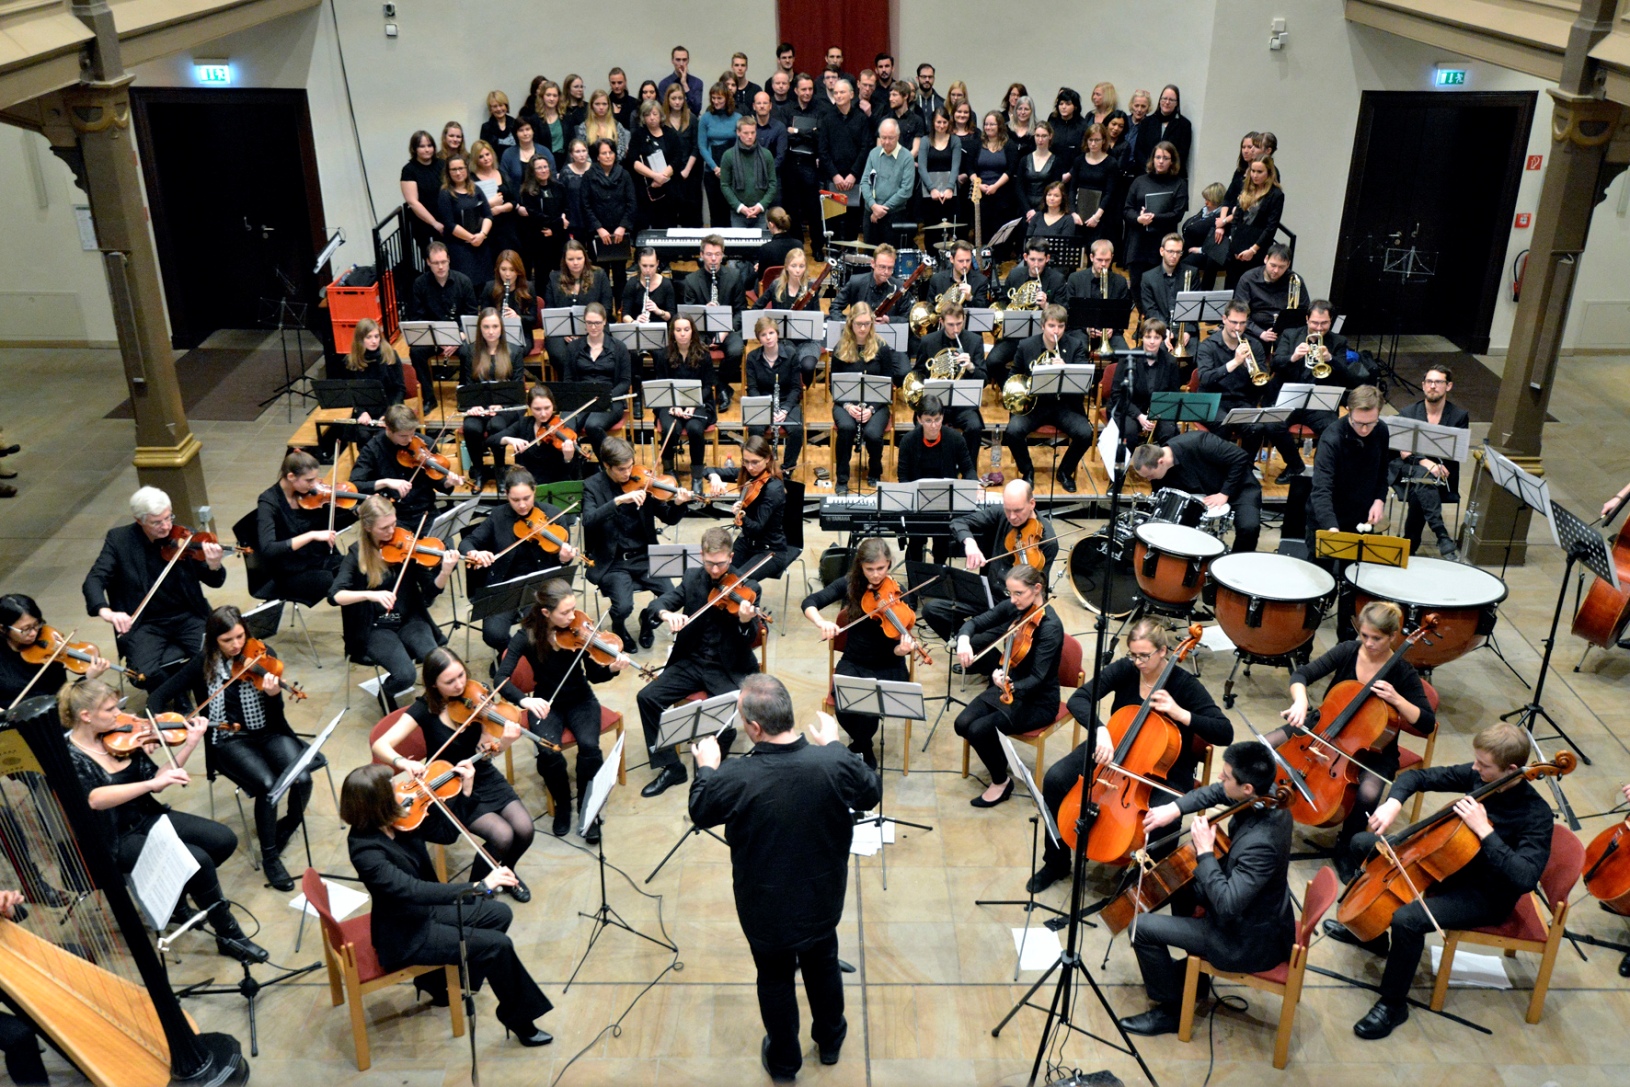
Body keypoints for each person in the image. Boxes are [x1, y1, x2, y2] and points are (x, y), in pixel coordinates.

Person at [687, 674, 878, 1081]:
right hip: (822, 896)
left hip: (766, 907)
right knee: (823, 965)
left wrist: (705, 768)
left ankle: (785, 1063)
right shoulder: (832, 761)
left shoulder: (735, 777)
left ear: (755, 728)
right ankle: (830, 1042)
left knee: (774, 980)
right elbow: (870, 792)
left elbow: (701, 812)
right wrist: (836, 747)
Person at [1324, 722, 1552, 1040]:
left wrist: (1485, 831)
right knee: (1364, 845)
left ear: (1510, 769)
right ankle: (1373, 936)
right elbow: (1420, 777)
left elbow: (1525, 877)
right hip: (1446, 863)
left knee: (1408, 919)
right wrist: (1393, 803)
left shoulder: (1535, 814)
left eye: (1484, 765)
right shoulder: (1479, 776)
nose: (1475, 768)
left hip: (1485, 894)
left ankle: (1393, 1004)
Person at [340, 764, 552, 1045]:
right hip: (406, 933)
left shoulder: (401, 817)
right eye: (391, 788)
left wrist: (464, 791)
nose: (400, 788)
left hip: (426, 913)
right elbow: (412, 890)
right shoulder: (365, 850)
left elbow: (447, 834)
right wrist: (479, 886)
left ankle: (442, 985)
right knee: (497, 946)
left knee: (498, 913)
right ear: (376, 802)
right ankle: (519, 1020)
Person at [60, 679, 265, 963]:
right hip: (115, 837)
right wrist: (148, 786)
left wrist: (190, 744)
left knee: (223, 840)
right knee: (199, 861)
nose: (121, 716)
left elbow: (157, 782)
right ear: (86, 716)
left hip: (147, 816)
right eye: (110, 710)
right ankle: (230, 935)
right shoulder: (69, 755)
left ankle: (178, 900)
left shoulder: (119, 736)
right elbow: (94, 799)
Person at [1032, 619, 1231, 892]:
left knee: (1164, 815)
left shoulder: (1183, 684)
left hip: (1165, 766)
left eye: (1144, 656)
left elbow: (1224, 732)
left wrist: (1179, 713)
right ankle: (1056, 861)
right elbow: (1080, 698)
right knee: (1055, 779)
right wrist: (1099, 729)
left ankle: (1143, 883)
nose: (1137, 662)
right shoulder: (1126, 669)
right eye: (1133, 655)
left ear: (1163, 651)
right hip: (1114, 746)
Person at [1118, 740, 1294, 1036]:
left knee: (1141, 928)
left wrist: (1204, 852)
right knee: (1179, 882)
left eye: (1226, 777)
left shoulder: (1263, 842)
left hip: (1242, 939)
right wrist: (1174, 809)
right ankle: (1193, 978)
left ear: (1247, 788)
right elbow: (1215, 792)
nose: (1220, 780)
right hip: (1250, 909)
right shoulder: (1267, 797)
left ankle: (1171, 1010)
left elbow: (1227, 904)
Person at [1265, 600, 1437, 874]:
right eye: (1364, 635)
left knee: (1368, 792)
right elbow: (1301, 674)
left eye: (1376, 638)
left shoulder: (1403, 672)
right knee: (1265, 747)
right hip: (1323, 727)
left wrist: (1397, 699)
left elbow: (1427, 723)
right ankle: (1264, 814)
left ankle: (1348, 847)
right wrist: (1300, 701)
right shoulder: (1347, 651)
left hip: (1370, 749)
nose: (1368, 643)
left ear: (1393, 636)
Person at [159, 605, 314, 891]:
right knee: (268, 785)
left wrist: (273, 693)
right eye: (227, 640)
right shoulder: (203, 662)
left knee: (302, 778)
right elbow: (159, 696)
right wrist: (168, 723)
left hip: (268, 732)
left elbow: (276, 713)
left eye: (240, 637)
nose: (236, 645)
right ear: (214, 640)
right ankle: (270, 857)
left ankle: (288, 825)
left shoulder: (263, 656)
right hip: (229, 739)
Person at [372, 648, 533, 895]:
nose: (459, 685)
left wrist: (507, 740)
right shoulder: (423, 709)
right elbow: (380, 745)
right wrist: (404, 763)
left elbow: (491, 751)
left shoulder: (476, 697)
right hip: (450, 785)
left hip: (482, 773)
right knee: (502, 836)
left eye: (461, 675)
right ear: (434, 684)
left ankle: (505, 872)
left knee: (525, 829)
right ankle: (475, 892)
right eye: (450, 681)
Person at [636, 527, 765, 798]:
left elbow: (751, 636)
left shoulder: (749, 586)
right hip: (692, 661)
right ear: (701, 556)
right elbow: (661, 602)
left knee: (726, 712)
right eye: (709, 562)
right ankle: (672, 767)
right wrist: (666, 613)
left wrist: (744, 621)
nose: (715, 570)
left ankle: (719, 748)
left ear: (730, 557)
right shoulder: (693, 576)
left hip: (728, 666)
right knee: (647, 697)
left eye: (720, 563)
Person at [493, 579, 620, 839]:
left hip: (580, 699)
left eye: (574, 609)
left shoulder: (579, 631)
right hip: (545, 703)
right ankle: (563, 804)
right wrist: (524, 701)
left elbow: (595, 675)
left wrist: (612, 669)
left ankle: (588, 806)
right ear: (545, 613)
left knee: (589, 747)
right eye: (565, 612)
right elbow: (500, 678)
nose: (573, 617)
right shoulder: (526, 636)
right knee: (549, 753)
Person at [81, 486, 223, 711]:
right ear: (139, 520)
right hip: (145, 623)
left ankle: (200, 695)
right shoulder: (119, 541)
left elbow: (214, 580)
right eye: (157, 522)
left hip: (187, 614)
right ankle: (176, 694)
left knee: (215, 655)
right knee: (142, 674)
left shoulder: (183, 535)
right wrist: (106, 611)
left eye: (168, 518)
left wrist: (214, 566)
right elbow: (94, 580)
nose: (166, 526)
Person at [802, 538, 921, 765]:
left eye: (881, 569)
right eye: (870, 570)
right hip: (855, 660)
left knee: (867, 707)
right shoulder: (850, 584)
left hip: (889, 663)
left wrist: (902, 650)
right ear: (860, 567)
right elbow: (811, 601)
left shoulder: (898, 592)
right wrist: (821, 622)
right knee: (844, 706)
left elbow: (899, 642)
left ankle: (861, 747)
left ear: (888, 564)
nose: (876, 575)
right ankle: (864, 744)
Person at [954, 564, 1064, 807]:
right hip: (1007, 686)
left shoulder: (1050, 628)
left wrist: (1008, 683)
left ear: (1037, 589)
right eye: (1010, 593)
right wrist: (964, 641)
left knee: (979, 730)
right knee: (962, 724)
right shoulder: (1017, 608)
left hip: (1037, 699)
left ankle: (1001, 781)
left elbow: (1037, 678)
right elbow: (975, 623)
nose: (1012, 600)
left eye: (1018, 593)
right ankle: (998, 759)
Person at [328, 494, 455, 701]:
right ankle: (385, 696)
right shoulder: (357, 554)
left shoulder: (405, 542)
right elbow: (335, 595)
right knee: (405, 676)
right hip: (376, 626)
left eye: (393, 524)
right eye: (384, 528)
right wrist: (371, 594)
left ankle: (432, 707)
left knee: (437, 665)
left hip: (410, 618)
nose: (391, 532)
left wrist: (445, 572)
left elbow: (429, 592)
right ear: (368, 528)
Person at [581, 437, 691, 650]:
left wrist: (678, 504)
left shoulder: (642, 479)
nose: (628, 473)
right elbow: (588, 520)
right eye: (622, 469)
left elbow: (668, 517)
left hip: (645, 556)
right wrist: (619, 500)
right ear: (606, 465)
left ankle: (647, 621)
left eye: (630, 466)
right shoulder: (592, 486)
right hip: (613, 561)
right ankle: (619, 627)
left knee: (672, 597)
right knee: (622, 607)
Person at [458, 468, 578, 652]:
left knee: (538, 632)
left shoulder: (552, 515)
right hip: (505, 586)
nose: (522, 505)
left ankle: (523, 659)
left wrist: (564, 559)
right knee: (493, 634)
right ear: (506, 494)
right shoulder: (498, 516)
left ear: (534, 491)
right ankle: (509, 653)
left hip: (541, 587)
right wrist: (474, 553)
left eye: (527, 498)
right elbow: (467, 542)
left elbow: (562, 562)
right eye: (515, 500)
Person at [924, 479, 1058, 643]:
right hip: (987, 593)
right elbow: (958, 522)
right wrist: (970, 543)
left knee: (975, 641)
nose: (1012, 517)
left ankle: (981, 655)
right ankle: (964, 644)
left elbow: (1036, 590)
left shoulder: (1047, 541)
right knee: (932, 610)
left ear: (1032, 503)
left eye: (1017, 510)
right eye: (1008, 510)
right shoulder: (1001, 514)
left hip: (1012, 604)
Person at [1196, 299, 1302, 481]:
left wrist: (1249, 368)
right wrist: (1234, 362)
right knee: (1224, 424)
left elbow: (1261, 382)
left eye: (1242, 323)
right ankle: (1217, 467)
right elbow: (1205, 379)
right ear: (1224, 319)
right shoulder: (1208, 345)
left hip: (1242, 400)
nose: (1238, 328)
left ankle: (1242, 467)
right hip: (1213, 401)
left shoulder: (1254, 345)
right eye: (1234, 322)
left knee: (1256, 427)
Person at [1308, 385, 1392, 612]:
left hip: (1360, 517)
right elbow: (1321, 489)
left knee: (1354, 585)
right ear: (1348, 411)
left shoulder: (1381, 431)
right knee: (1318, 586)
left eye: (1370, 423)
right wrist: (1331, 528)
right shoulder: (1331, 439)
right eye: (1358, 423)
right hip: (1327, 518)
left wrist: (1379, 499)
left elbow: (1382, 470)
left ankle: (1347, 633)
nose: (1364, 429)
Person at [1003, 304, 1095, 492]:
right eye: (1052, 326)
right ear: (1043, 325)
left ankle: (1064, 471)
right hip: (1034, 405)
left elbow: (1083, 381)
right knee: (1012, 431)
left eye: (1060, 326)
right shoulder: (1026, 345)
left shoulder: (1075, 346)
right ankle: (1027, 471)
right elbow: (1013, 375)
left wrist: (1065, 368)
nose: (1056, 331)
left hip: (1064, 405)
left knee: (1086, 434)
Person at [1131, 430, 1264, 553]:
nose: (1148, 479)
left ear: (1160, 462)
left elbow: (1240, 457)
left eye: (1149, 475)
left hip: (1238, 487)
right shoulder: (1159, 471)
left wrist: (1224, 493)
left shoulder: (1200, 442)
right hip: (1200, 496)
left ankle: (1235, 567)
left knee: (1249, 528)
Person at [1390, 365, 1469, 558]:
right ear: (1423, 385)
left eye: (1438, 382)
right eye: (1429, 382)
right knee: (1422, 477)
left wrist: (1436, 465)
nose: (1432, 386)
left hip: (1443, 473)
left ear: (1448, 386)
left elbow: (1456, 452)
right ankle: (1441, 535)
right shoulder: (1408, 413)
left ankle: (1411, 543)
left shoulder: (1458, 416)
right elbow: (1403, 451)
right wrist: (1426, 462)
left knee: (1421, 486)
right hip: (1409, 468)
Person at [829, 303, 903, 491]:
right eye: (858, 324)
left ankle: (874, 471)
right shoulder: (840, 348)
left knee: (872, 434)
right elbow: (833, 386)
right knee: (846, 428)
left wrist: (870, 409)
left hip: (876, 404)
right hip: (846, 403)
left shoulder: (882, 348)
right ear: (850, 324)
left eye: (867, 324)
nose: (862, 328)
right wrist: (847, 406)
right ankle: (842, 478)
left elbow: (887, 385)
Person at [255, 450, 343, 605]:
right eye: (309, 480)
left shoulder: (309, 494)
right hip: (289, 572)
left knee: (354, 568)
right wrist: (311, 535)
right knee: (339, 584)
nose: (314, 484)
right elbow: (268, 549)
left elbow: (332, 523)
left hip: (316, 559)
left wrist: (358, 510)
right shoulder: (268, 502)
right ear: (291, 477)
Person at [350, 403, 460, 524]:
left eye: (412, 434)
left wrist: (448, 483)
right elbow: (355, 485)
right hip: (391, 517)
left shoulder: (425, 445)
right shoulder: (372, 450)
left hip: (425, 512)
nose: (409, 440)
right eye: (403, 436)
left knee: (443, 542)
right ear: (388, 428)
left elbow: (437, 482)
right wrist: (385, 482)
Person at [896, 396, 976, 562]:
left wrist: (973, 486)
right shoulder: (908, 441)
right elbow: (903, 476)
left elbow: (968, 469)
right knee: (915, 544)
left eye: (937, 419)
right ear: (919, 420)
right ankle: (915, 582)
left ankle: (938, 578)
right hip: (917, 505)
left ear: (942, 417)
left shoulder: (955, 439)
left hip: (945, 505)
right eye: (928, 420)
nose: (933, 425)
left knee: (942, 546)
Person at [0, 593, 109, 708]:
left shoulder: (49, 648)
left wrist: (87, 678)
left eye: (37, 625)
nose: (33, 633)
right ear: (3, 628)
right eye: (25, 629)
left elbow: (62, 696)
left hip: (49, 712)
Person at [913, 303, 987, 469]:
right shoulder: (928, 341)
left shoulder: (974, 341)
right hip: (934, 403)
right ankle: (924, 467)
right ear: (941, 321)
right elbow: (917, 374)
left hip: (963, 404)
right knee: (920, 424)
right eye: (951, 324)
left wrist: (971, 367)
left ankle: (969, 470)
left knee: (974, 427)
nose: (955, 329)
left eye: (959, 324)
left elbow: (985, 380)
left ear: (964, 320)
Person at [983, 241, 1065, 388]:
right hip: (1014, 335)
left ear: (1047, 258)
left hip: (1042, 337)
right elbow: (1003, 301)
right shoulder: (1015, 275)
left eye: (1040, 260)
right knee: (992, 362)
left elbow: (1063, 313)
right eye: (1032, 259)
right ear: (1026, 257)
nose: (1036, 265)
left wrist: (1046, 306)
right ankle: (1011, 389)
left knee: (1032, 366)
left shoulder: (1056, 279)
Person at [704, 435, 789, 577]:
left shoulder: (773, 489)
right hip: (747, 542)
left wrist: (742, 516)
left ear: (767, 458)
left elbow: (757, 528)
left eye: (755, 462)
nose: (750, 467)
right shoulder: (747, 475)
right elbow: (706, 470)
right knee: (716, 572)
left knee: (736, 581)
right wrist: (714, 477)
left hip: (770, 549)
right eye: (746, 461)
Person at [408, 242, 478, 414]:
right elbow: (417, 318)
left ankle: (464, 395)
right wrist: (439, 339)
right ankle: (429, 398)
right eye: (436, 263)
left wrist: (458, 337)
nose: (440, 267)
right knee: (416, 352)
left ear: (449, 260)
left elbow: (472, 316)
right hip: (432, 337)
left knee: (468, 351)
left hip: (460, 336)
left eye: (443, 262)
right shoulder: (420, 284)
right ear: (428, 262)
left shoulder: (463, 282)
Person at [681, 235, 748, 408]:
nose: (713, 259)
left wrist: (726, 329)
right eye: (709, 254)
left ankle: (721, 384)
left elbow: (741, 309)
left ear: (722, 254)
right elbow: (687, 315)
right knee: (697, 350)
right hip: (701, 331)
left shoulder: (734, 276)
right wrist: (704, 309)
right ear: (701, 254)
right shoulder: (691, 280)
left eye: (717, 254)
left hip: (729, 329)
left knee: (735, 350)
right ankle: (720, 388)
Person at [461, 308, 522, 490]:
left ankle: (500, 469)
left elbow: (517, 390)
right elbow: (466, 386)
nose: (491, 331)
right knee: (471, 427)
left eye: (495, 326)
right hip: (480, 407)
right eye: (486, 327)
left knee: (496, 426)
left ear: (501, 328)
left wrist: (501, 404)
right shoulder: (470, 352)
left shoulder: (514, 351)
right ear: (480, 329)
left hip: (508, 408)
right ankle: (478, 471)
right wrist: (471, 406)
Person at [563, 302, 631, 456]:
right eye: (589, 323)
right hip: (581, 398)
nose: (593, 327)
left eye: (597, 323)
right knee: (566, 429)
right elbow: (568, 380)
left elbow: (625, 381)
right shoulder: (574, 348)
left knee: (593, 425)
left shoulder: (619, 347)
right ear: (584, 323)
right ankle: (574, 469)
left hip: (610, 400)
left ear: (605, 321)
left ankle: (608, 463)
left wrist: (608, 396)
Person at [652, 313, 716, 475]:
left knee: (695, 428)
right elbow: (661, 385)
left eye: (686, 329)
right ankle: (669, 470)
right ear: (672, 332)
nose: (682, 333)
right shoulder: (662, 355)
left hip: (699, 402)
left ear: (692, 331)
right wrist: (673, 405)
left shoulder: (704, 354)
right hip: (669, 403)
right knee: (671, 428)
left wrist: (692, 405)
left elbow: (708, 386)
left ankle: (697, 474)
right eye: (678, 330)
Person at [1121, 142, 1187, 297]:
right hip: (1138, 241)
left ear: (1172, 161)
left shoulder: (1179, 184)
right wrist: (1139, 218)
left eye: (1165, 158)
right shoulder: (1140, 181)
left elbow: (1177, 214)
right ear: (1152, 159)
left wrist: (1153, 217)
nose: (1161, 161)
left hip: (1162, 242)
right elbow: (1127, 209)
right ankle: (1144, 317)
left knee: (1159, 286)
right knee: (1136, 284)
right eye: (1158, 157)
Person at [743, 315, 805, 473]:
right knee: (755, 430)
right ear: (758, 338)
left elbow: (796, 388)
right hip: (762, 403)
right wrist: (766, 410)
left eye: (771, 333)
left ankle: (787, 469)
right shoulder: (752, 358)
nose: (768, 338)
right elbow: (752, 388)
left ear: (777, 334)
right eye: (763, 335)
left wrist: (784, 410)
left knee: (797, 430)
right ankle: (762, 468)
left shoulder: (791, 355)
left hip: (786, 401)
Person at [754, 246, 824, 385]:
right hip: (782, 340)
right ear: (786, 267)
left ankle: (802, 390)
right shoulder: (776, 286)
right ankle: (791, 393)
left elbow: (817, 319)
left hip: (807, 341)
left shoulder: (811, 288)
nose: (798, 270)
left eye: (801, 266)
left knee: (808, 367)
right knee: (786, 364)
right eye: (794, 266)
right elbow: (757, 307)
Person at [1109, 320, 1184, 447]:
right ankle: (1123, 465)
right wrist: (1139, 416)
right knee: (1129, 433)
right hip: (1128, 409)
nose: (1152, 341)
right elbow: (1117, 394)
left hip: (1158, 412)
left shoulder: (1170, 362)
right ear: (1142, 337)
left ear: (1162, 339)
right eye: (1148, 337)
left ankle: (1161, 465)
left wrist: (1157, 415)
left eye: (1157, 337)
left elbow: (1173, 395)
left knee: (1170, 432)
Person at [491, 384, 583, 485]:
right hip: (527, 486)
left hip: (555, 485)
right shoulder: (523, 424)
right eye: (537, 409)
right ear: (529, 407)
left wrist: (568, 459)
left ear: (553, 405)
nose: (543, 414)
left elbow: (570, 475)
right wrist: (509, 440)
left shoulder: (564, 430)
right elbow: (491, 440)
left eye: (547, 408)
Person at [542, 240, 614, 366]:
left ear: (585, 258)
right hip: (561, 332)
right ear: (564, 260)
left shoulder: (599, 275)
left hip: (594, 328)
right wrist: (565, 333)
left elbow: (606, 308)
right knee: (560, 355)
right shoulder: (554, 278)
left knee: (591, 354)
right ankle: (569, 384)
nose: (575, 263)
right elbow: (550, 310)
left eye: (579, 258)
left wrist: (586, 331)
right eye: (571, 259)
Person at [818, 79, 871, 241]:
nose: (838, 95)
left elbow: (865, 149)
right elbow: (823, 151)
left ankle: (849, 255)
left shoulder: (861, 119)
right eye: (836, 93)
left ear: (851, 94)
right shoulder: (827, 119)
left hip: (853, 179)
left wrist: (853, 174)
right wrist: (835, 175)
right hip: (833, 178)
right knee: (832, 222)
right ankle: (833, 256)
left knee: (852, 222)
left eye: (842, 92)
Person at [582, 139, 635, 299]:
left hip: (619, 232)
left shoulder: (624, 174)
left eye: (610, 152)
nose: (607, 156)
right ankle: (603, 311)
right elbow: (585, 205)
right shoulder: (589, 176)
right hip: (598, 233)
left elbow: (631, 203)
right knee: (600, 273)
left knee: (620, 273)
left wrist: (623, 226)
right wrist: (599, 228)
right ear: (597, 157)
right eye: (603, 153)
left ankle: (621, 310)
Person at [1223, 156, 1284, 288]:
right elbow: (1236, 218)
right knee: (1231, 285)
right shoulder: (1246, 189)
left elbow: (1271, 227)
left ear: (1268, 173)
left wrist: (1253, 250)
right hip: (1238, 245)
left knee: (1249, 287)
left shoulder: (1276, 195)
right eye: (1253, 171)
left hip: (1256, 246)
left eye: (1259, 172)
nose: (1255, 175)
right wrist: (1234, 241)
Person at [781, 75, 824, 256]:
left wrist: (797, 131)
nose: (807, 93)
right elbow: (785, 135)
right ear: (796, 90)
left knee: (814, 209)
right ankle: (797, 246)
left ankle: (817, 248)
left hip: (810, 165)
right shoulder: (787, 109)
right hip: (790, 164)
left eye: (810, 89)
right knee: (793, 210)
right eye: (803, 89)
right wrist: (808, 133)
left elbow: (819, 135)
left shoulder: (820, 109)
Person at [436, 153, 494, 287]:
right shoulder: (445, 193)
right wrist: (471, 238)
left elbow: (488, 215)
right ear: (448, 172)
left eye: (461, 168)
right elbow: (449, 224)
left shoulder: (476, 189)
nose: (458, 172)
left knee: (485, 284)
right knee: (466, 284)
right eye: (454, 169)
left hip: (481, 243)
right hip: (459, 246)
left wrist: (482, 235)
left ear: (466, 169)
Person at [1233, 243, 1307, 347]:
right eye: (1273, 265)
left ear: (1288, 264)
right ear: (1266, 259)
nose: (1276, 271)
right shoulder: (1248, 279)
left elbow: (1304, 311)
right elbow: (1239, 312)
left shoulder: (1295, 280)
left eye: (1281, 267)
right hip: (1255, 330)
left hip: (1284, 331)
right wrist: (1261, 333)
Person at [627, 100, 684, 233]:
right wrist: (655, 176)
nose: (651, 118)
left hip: (668, 189)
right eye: (647, 115)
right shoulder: (638, 135)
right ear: (643, 117)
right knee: (643, 227)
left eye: (654, 114)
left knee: (667, 228)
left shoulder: (670, 134)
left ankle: (668, 254)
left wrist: (663, 176)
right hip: (646, 190)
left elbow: (677, 158)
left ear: (661, 116)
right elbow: (633, 161)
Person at [1065, 239, 1130, 349]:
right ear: (1091, 257)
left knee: (1124, 353)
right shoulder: (1075, 279)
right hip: (1082, 330)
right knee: (1079, 349)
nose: (1103, 264)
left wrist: (1112, 329)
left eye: (1107, 260)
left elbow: (1121, 316)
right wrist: (1087, 328)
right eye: (1099, 260)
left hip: (1110, 333)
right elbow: (1069, 311)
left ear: (1112, 258)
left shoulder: (1120, 282)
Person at [860, 119, 914, 246]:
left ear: (898, 137)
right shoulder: (873, 153)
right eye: (883, 138)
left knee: (889, 257)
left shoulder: (907, 157)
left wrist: (881, 210)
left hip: (894, 215)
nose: (886, 142)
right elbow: (864, 182)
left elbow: (906, 190)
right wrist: (873, 206)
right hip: (870, 214)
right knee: (870, 256)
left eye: (891, 138)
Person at [719, 116, 779, 230]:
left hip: (760, 212)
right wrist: (740, 207)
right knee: (739, 247)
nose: (750, 136)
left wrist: (760, 206)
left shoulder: (766, 155)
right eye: (746, 133)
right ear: (738, 132)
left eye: (752, 132)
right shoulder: (728, 155)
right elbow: (725, 185)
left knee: (760, 247)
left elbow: (772, 184)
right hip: (738, 212)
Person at [515, 155, 566, 284]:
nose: (543, 170)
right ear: (532, 171)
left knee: (561, 276)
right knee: (542, 278)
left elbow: (566, 210)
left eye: (545, 167)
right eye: (539, 168)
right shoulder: (527, 192)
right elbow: (535, 216)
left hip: (558, 238)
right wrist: (558, 224)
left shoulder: (559, 187)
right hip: (539, 240)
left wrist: (555, 230)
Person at [697, 82, 742, 227]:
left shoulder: (737, 118)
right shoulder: (706, 118)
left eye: (719, 99)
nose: (716, 102)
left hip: (733, 171)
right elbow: (702, 146)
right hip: (712, 172)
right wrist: (715, 168)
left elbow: (740, 145)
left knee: (731, 211)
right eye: (713, 98)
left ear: (727, 99)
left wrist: (728, 168)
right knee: (715, 212)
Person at [479, 248, 538, 351]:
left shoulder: (528, 288)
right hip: (493, 335)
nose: (507, 274)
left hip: (522, 335)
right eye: (503, 269)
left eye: (512, 270)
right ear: (498, 270)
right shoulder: (489, 287)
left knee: (512, 352)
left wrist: (518, 317)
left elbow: (533, 319)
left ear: (518, 271)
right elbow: (483, 315)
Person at [470, 141, 520, 261]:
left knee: (508, 262)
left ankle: (507, 281)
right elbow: (471, 206)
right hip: (486, 229)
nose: (486, 159)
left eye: (487, 154)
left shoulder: (502, 174)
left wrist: (500, 208)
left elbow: (514, 200)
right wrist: (490, 205)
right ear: (475, 160)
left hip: (507, 227)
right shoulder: (471, 180)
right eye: (481, 156)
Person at [661, 83, 703, 228]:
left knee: (689, 214)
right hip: (668, 173)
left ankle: (689, 250)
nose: (677, 102)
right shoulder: (662, 120)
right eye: (674, 98)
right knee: (669, 213)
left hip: (688, 173)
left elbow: (696, 146)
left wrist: (687, 170)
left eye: (680, 98)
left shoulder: (691, 118)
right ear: (668, 100)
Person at [401, 130, 445, 256]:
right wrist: (434, 223)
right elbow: (412, 202)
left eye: (429, 145)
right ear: (414, 149)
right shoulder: (409, 170)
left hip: (444, 219)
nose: (427, 150)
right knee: (432, 259)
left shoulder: (442, 164)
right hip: (424, 223)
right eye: (422, 146)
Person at [832, 243, 901, 316]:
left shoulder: (899, 287)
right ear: (873, 263)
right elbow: (835, 307)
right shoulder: (856, 283)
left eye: (890, 268)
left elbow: (907, 317)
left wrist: (889, 320)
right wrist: (851, 323)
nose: (886, 272)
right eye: (882, 267)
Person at [1140, 233, 1188, 330]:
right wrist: (1165, 331)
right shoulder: (1148, 277)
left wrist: (1187, 332)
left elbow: (1193, 309)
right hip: (1159, 329)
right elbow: (1150, 310)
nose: (1174, 256)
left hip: (1184, 329)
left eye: (1178, 252)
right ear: (1162, 251)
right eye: (1170, 251)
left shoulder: (1191, 273)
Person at [621, 247, 674, 329]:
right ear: (639, 263)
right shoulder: (632, 283)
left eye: (652, 266)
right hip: (638, 329)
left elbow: (671, 315)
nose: (648, 270)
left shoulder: (666, 284)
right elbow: (625, 314)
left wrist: (658, 311)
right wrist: (634, 322)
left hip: (660, 330)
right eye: (644, 266)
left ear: (657, 263)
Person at [927, 240, 989, 309]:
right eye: (961, 261)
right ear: (951, 259)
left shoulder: (981, 280)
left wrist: (970, 298)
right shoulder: (937, 279)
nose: (965, 265)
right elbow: (931, 308)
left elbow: (984, 309)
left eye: (968, 260)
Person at [499, 118, 554, 193]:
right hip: (517, 199)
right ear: (516, 133)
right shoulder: (508, 154)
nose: (525, 133)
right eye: (521, 130)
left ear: (533, 131)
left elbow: (553, 176)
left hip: (542, 197)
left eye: (528, 129)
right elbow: (504, 180)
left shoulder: (545, 151)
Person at [752, 206, 800, 280]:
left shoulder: (766, 248)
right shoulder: (798, 244)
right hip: (793, 286)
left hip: (771, 288)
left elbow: (761, 278)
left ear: (771, 224)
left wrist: (759, 268)